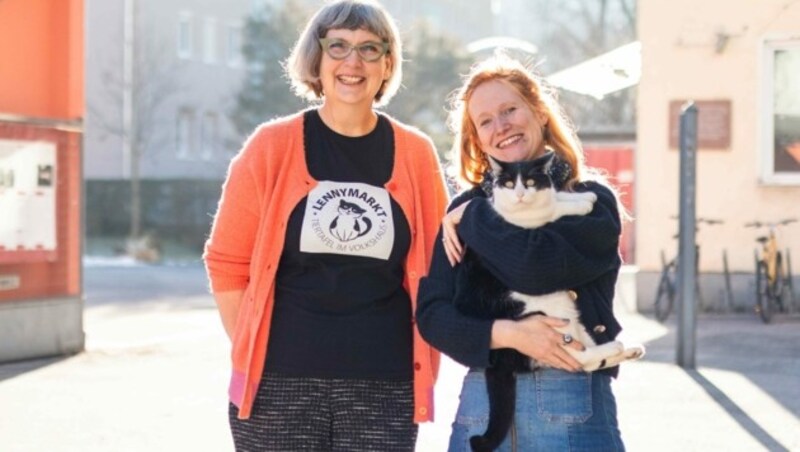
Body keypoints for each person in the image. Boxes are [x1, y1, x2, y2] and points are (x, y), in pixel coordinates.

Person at [203, 1, 448, 450]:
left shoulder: (415, 154)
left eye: (369, 49)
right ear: (317, 59)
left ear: (387, 63)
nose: (352, 62)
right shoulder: (271, 147)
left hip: (384, 386)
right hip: (278, 386)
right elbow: (227, 262)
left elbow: (440, 265)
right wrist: (255, 348)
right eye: (338, 46)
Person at [416, 52, 628, 451]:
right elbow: (433, 315)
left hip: (570, 398)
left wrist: (476, 214)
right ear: (477, 140)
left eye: (510, 109)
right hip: (482, 406)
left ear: (540, 113)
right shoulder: (463, 209)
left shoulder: (590, 202)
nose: (502, 126)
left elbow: (535, 267)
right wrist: (507, 333)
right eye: (485, 121)